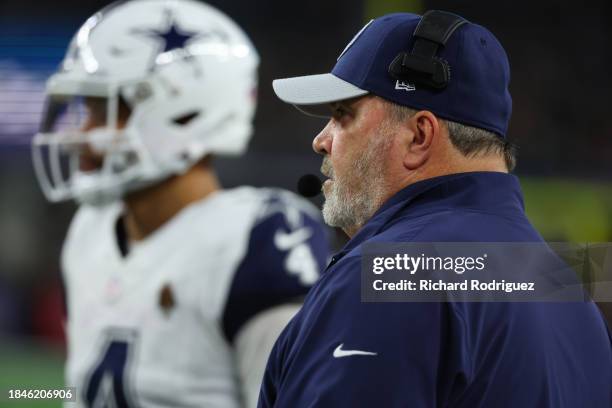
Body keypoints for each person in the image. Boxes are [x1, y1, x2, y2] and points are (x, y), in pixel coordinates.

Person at [261, 10, 612, 407]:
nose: (321, 141)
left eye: (343, 115)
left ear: (419, 136)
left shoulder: (390, 274)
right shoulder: (568, 285)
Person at [31, 0, 329, 407]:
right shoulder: (91, 229)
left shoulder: (258, 241)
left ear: (184, 114)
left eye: (105, 110)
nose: (82, 133)